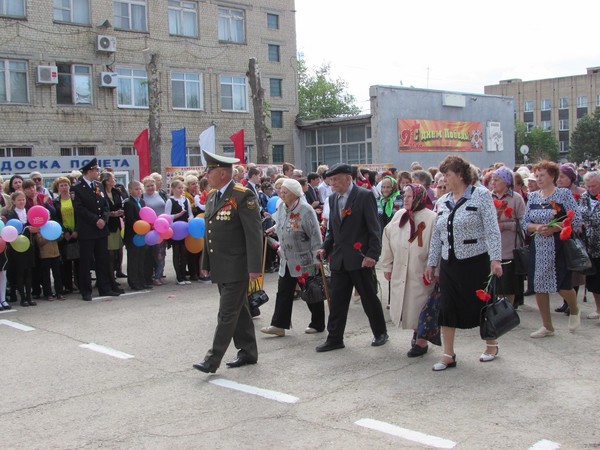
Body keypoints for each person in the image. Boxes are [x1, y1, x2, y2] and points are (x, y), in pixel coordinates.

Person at [424, 155, 503, 371]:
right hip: (449, 263)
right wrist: (432, 263)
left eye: (447, 174)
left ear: (460, 175)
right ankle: (448, 354)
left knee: (483, 305)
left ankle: (491, 344)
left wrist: (496, 259)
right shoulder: (442, 201)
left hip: (476, 261)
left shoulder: (481, 195)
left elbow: (492, 230)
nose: (443, 179)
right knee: (447, 307)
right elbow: (436, 236)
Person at [193, 150, 263, 374]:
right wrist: (206, 261)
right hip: (221, 266)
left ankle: (212, 360)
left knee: (226, 314)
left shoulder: (243, 196)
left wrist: (254, 268)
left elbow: (253, 234)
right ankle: (248, 351)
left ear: (223, 173)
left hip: (237, 266)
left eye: (210, 170)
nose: (207, 175)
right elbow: (209, 231)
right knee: (239, 310)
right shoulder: (213, 196)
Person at [315, 163, 388, 352]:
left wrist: (372, 254)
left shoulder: (364, 196)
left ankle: (380, 333)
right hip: (339, 259)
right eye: (331, 180)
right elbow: (333, 231)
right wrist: (325, 247)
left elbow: (374, 229)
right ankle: (335, 338)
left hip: (360, 258)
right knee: (337, 301)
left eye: (336, 179)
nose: (333, 183)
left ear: (348, 178)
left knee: (369, 298)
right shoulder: (332, 199)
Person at [522, 160, 581, 338]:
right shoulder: (532, 197)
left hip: (558, 244)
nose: (538, 179)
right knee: (539, 285)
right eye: (536, 176)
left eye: (542, 175)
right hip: (539, 245)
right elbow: (525, 223)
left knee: (561, 284)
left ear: (552, 176)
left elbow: (575, 219)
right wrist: (537, 228)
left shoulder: (562, 194)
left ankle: (574, 308)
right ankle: (547, 326)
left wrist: (555, 228)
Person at [261, 178, 325, 337]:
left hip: (304, 260)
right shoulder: (283, 207)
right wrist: (273, 229)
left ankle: (318, 323)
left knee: (310, 290)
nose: (281, 194)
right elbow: (282, 222)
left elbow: (316, 235)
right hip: (287, 259)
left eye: (285, 192)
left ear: (295, 194)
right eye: (280, 191)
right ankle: (279, 325)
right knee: (283, 291)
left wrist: (317, 258)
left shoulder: (306, 210)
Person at [380, 183, 436, 357]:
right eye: (404, 195)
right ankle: (416, 332)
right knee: (407, 305)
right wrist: (387, 265)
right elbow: (387, 239)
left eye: (410, 196)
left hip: (421, 269)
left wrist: (434, 267)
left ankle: (421, 340)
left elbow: (436, 245)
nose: (406, 199)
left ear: (419, 197)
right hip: (401, 267)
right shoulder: (399, 216)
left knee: (420, 304)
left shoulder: (432, 218)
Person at [72, 158, 121, 300]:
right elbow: (79, 208)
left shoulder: (98, 185)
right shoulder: (77, 188)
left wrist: (103, 219)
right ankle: (86, 290)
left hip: (101, 229)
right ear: (89, 171)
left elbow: (105, 205)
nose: (98, 173)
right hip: (87, 229)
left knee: (102, 260)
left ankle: (104, 288)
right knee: (86, 262)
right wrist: (95, 220)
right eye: (96, 170)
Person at [490, 166, 526, 306]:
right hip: (493, 248)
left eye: (497, 180)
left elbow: (523, 222)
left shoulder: (516, 198)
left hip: (510, 247)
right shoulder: (488, 196)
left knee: (508, 284)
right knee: (493, 283)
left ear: (506, 181)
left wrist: (506, 226)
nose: (493, 183)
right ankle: (494, 310)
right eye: (493, 180)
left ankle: (508, 310)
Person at [579, 171, 600, 320]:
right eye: (589, 186)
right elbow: (580, 215)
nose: (591, 188)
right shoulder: (584, 197)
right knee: (593, 279)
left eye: (594, 186)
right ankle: (598, 309)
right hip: (589, 245)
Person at [165, 179, 193, 285]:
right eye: (178, 188)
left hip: (185, 229)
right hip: (175, 229)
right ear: (173, 189)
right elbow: (167, 216)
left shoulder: (185, 200)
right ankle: (179, 276)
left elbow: (190, 213)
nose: (181, 190)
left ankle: (184, 275)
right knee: (176, 253)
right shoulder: (170, 201)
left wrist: (190, 220)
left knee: (184, 253)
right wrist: (179, 214)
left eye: (182, 188)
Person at [123, 180, 150, 291]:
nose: (138, 191)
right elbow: (130, 220)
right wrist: (141, 226)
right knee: (133, 259)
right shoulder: (129, 203)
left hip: (142, 235)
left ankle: (141, 280)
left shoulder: (142, 202)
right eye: (136, 189)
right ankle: (133, 281)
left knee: (141, 259)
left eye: (140, 189)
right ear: (130, 190)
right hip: (133, 235)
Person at [54, 176, 79, 295]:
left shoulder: (75, 199)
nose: (64, 187)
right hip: (64, 235)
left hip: (77, 233)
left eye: (66, 185)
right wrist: (65, 232)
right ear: (57, 188)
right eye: (61, 185)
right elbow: (56, 218)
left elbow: (80, 215)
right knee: (66, 261)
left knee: (78, 260)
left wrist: (76, 230)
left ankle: (79, 283)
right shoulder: (56, 202)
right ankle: (68, 285)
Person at [101, 171, 126, 289]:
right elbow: (101, 209)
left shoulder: (116, 192)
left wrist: (120, 211)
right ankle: (110, 279)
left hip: (117, 225)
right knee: (109, 254)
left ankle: (114, 276)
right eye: (112, 178)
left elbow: (120, 204)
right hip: (108, 226)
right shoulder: (101, 193)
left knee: (117, 252)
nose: (114, 180)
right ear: (106, 181)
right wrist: (111, 214)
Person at [142, 176, 167, 286]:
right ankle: (152, 276)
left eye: (152, 185)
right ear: (144, 187)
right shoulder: (142, 197)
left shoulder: (160, 194)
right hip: (149, 229)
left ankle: (159, 275)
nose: (150, 188)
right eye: (148, 186)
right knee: (152, 254)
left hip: (162, 227)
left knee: (161, 253)